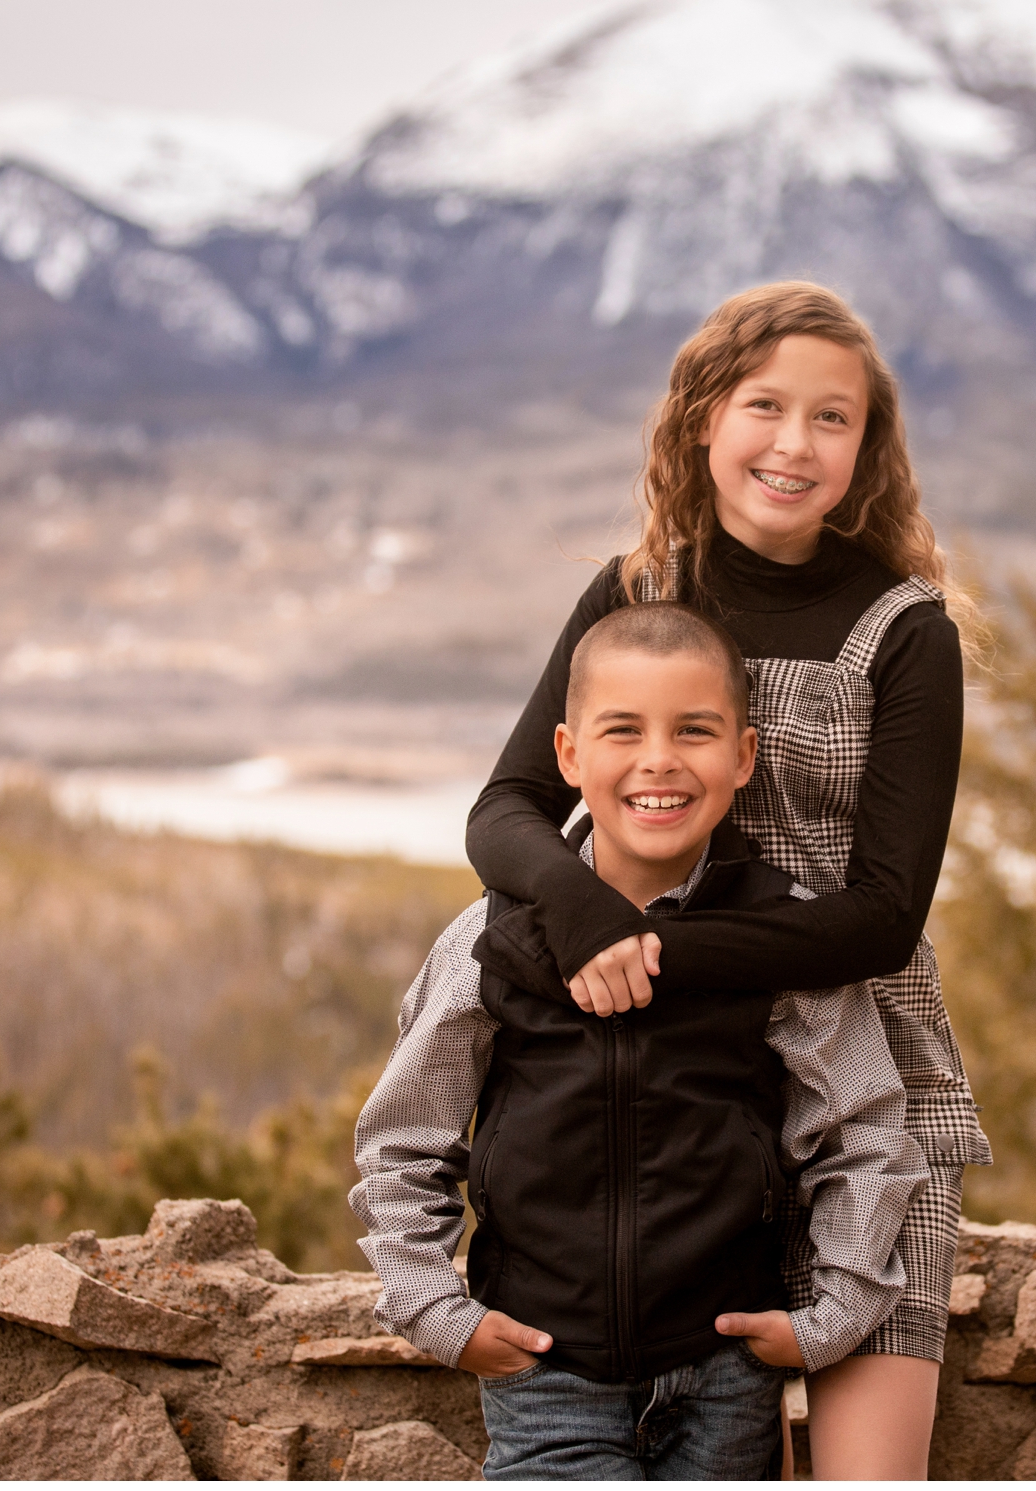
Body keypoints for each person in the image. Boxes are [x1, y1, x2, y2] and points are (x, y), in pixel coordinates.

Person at [467, 281, 990, 1479]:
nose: (795, 444)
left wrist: (651, 952)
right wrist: (586, 908)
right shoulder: (635, 593)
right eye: (766, 405)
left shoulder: (906, 630)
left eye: (833, 419)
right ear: (704, 419)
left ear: (867, 450)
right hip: (652, 1083)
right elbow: (506, 810)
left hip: (859, 1087)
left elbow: (883, 915)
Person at [352, 601, 927, 1480]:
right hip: (547, 1371)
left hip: (728, 1376)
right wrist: (436, 1308)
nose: (659, 758)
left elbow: (863, 1133)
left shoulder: (783, 938)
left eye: (694, 730)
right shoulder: (492, 940)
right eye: (623, 730)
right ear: (569, 755)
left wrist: (830, 1317)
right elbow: (403, 1137)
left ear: (744, 755)